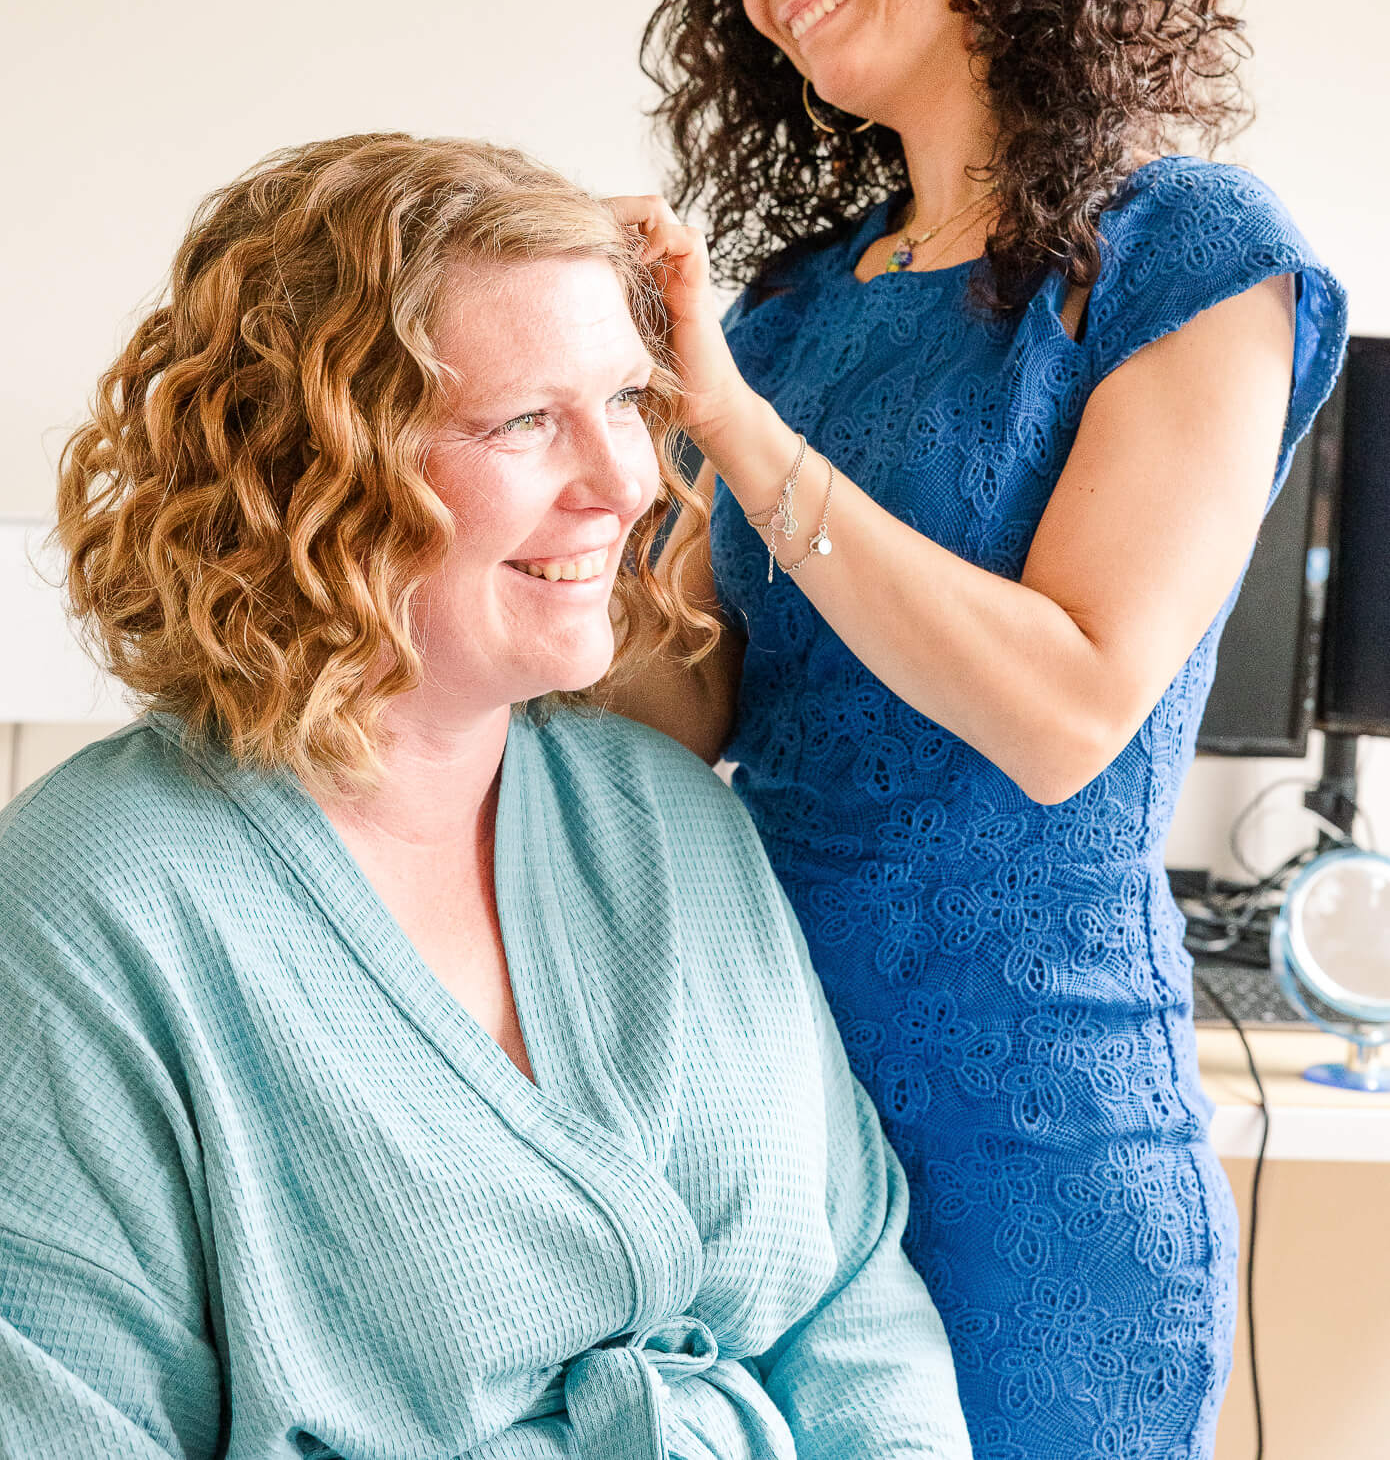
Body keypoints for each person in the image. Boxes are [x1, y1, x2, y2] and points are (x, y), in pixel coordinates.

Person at [605, 0, 1348, 1458]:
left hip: (1026, 1143)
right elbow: (676, 713)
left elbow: (1067, 707)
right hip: (759, 1109)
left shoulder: (1190, 252)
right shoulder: (789, 309)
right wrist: (575, 510)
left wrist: (731, 425)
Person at [0, 134, 971, 1460]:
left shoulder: (667, 819)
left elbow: (854, 1306)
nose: (625, 481)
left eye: (628, 400)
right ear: (309, 466)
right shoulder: (89, 907)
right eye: (527, 420)